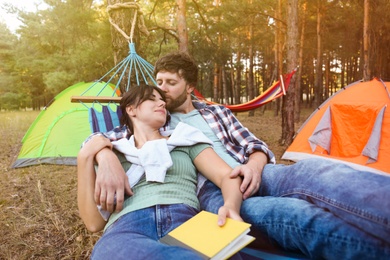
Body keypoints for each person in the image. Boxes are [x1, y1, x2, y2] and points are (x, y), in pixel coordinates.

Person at [82, 52, 390, 259]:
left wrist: (255, 165)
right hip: (212, 192)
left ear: (190, 87)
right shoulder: (158, 122)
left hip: (251, 171)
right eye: (157, 84)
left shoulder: (216, 112)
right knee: (295, 215)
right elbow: (100, 140)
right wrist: (105, 157)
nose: (161, 91)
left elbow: (255, 145)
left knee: (323, 174)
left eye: (169, 84)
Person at [77, 85, 244, 259]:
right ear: (131, 109)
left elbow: (227, 175)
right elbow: (94, 223)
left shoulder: (184, 138)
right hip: (126, 227)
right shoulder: (115, 152)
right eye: (152, 98)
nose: (161, 103)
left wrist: (231, 205)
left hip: (185, 221)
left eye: (162, 100)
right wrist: (94, 156)